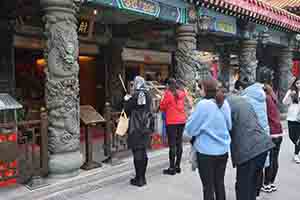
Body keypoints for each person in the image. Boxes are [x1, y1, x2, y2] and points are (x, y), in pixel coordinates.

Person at [184, 79, 232, 200]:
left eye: (200, 88)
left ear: (205, 90)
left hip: (206, 152)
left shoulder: (203, 105)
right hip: (222, 151)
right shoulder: (224, 103)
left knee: (208, 187)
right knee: (219, 183)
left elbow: (190, 129)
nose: (199, 91)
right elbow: (229, 126)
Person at [226, 94, 274, 200]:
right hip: (263, 145)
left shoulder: (226, 105)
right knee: (252, 184)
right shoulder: (243, 101)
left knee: (243, 187)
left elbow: (225, 127)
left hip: (248, 151)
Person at [239, 77, 271, 198]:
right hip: (263, 134)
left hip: (252, 136)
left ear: (242, 88)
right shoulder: (262, 96)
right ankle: (256, 192)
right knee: (259, 167)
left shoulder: (245, 99)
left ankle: (252, 193)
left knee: (249, 170)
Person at [124, 76, 153, 187]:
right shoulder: (148, 94)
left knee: (137, 152)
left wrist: (126, 99)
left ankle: (138, 178)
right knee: (143, 151)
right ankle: (143, 177)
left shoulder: (135, 95)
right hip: (146, 126)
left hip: (136, 127)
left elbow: (126, 110)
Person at [160, 78, 187, 175]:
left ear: (168, 85)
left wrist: (161, 100)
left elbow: (162, 106)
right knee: (179, 143)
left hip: (172, 121)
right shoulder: (181, 93)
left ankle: (171, 168)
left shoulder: (167, 94)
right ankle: (177, 166)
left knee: (172, 145)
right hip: (181, 120)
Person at [261, 84, 283, 193]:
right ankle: (271, 183)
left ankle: (266, 183)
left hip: (271, 132)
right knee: (275, 159)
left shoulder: (265, 99)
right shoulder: (274, 98)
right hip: (279, 132)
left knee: (269, 160)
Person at [283, 77, 300, 164]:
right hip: (291, 117)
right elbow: (284, 102)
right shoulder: (291, 92)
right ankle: (298, 148)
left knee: (298, 138)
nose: (299, 85)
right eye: (297, 83)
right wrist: (290, 95)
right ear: (294, 84)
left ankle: (296, 155)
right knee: (292, 136)